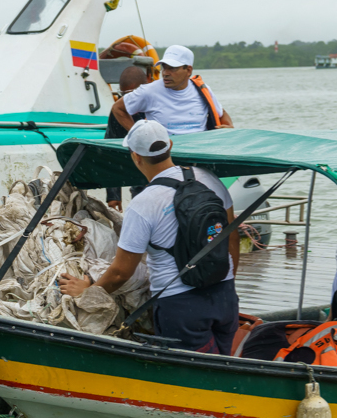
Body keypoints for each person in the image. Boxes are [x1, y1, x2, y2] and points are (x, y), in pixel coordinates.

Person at [58, 120, 241, 354]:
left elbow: (121, 272)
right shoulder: (208, 179)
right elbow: (231, 237)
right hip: (224, 294)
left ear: (135, 157)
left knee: (195, 379)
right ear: (170, 145)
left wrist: (88, 291)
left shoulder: (143, 204)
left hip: (181, 306)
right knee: (225, 365)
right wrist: (228, 281)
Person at [111, 45, 233, 135]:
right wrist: (136, 133)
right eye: (164, 68)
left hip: (199, 150)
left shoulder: (202, 90)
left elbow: (221, 113)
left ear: (188, 70)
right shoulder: (149, 91)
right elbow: (118, 108)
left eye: (172, 68)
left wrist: (229, 127)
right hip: (167, 153)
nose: (165, 73)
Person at [105, 66, 151, 211]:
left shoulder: (158, 102)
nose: (127, 100)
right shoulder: (119, 111)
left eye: (131, 94)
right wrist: (113, 195)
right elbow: (110, 152)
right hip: (140, 180)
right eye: (123, 95)